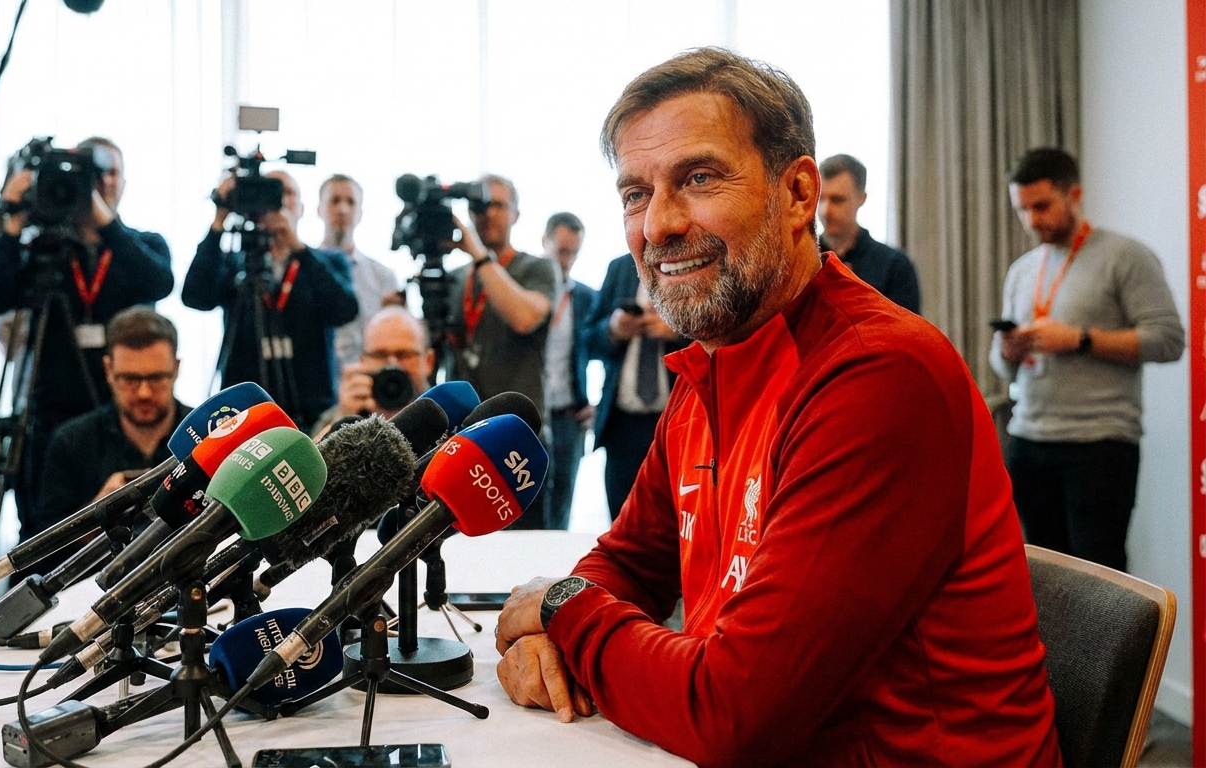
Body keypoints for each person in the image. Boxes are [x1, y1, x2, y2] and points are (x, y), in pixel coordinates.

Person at [494, 48, 1060, 766]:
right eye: (635, 193)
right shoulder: (713, 363)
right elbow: (629, 563)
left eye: (697, 178)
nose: (658, 224)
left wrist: (558, 608)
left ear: (797, 195)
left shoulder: (880, 374)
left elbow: (733, 712)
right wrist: (565, 626)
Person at [991, 147, 1184, 572]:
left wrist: (1078, 339)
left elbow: (1168, 340)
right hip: (1028, 440)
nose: (1032, 220)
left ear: (1073, 194)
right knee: (1046, 581)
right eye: (1022, 209)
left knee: (1102, 584)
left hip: (1098, 445)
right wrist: (1009, 352)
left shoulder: (1125, 256)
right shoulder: (1023, 270)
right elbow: (999, 364)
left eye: (1041, 206)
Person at [0, 136, 174, 540]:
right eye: (92, 176)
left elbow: (159, 282)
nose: (100, 184)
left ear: (124, 181)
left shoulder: (141, 243)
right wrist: (12, 216)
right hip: (50, 412)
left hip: (123, 411)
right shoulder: (42, 249)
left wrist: (104, 223)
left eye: (109, 173)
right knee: (44, 533)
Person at [183, 168, 358, 430]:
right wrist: (219, 219)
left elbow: (344, 310)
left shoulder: (326, 261)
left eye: (287, 193)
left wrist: (298, 248)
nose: (279, 201)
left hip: (311, 409)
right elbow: (194, 296)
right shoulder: (236, 264)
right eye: (272, 191)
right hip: (243, 412)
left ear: (301, 206)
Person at [40, 307, 191, 531]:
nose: (144, 393)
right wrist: (96, 514)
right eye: (130, 379)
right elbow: (45, 552)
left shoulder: (206, 434)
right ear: (108, 369)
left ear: (176, 368)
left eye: (156, 377)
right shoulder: (72, 442)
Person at [443, 174, 556, 418]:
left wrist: (479, 255)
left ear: (516, 214)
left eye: (498, 205)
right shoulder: (454, 278)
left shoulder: (538, 268)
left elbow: (524, 318)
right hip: (462, 421)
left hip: (518, 422)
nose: (489, 214)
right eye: (481, 206)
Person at [585, 253, 687, 520]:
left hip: (677, 425)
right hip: (621, 428)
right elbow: (586, 340)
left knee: (675, 523)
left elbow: (720, 334)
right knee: (620, 521)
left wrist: (677, 333)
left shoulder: (689, 262)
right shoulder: (618, 268)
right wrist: (612, 328)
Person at [538, 212, 596, 530]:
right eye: (562, 251)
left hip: (567, 416)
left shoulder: (585, 297)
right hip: (530, 412)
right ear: (544, 243)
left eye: (574, 253)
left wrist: (594, 401)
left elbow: (601, 348)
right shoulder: (525, 292)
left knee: (563, 504)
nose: (568, 260)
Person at [318, 174, 404, 374]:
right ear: (319, 209)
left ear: (360, 212)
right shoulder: (302, 271)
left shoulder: (383, 277)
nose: (343, 209)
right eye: (334, 201)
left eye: (351, 202)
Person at [817, 153, 921, 313]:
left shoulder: (894, 266)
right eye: (820, 199)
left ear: (861, 198)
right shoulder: (800, 260)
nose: (825, 211)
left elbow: (906, 334)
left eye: (837, 200)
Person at [313, 306, 435, 435]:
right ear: (362, 361)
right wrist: (343, 422)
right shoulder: (334, 419)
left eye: (404, 354)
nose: (392, 364)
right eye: (379, 355)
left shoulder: (449, 414)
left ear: (428, 361)